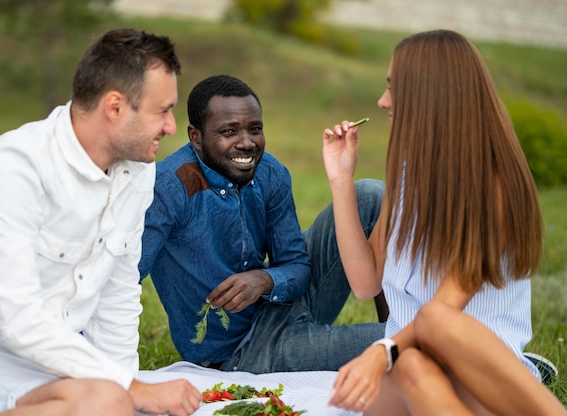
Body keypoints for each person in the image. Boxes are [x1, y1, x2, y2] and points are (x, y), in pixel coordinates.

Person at [0, 28, 201, 416]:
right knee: (107, 402)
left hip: (58, 364)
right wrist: (129, 389)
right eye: (162, 110)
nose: (170, 127)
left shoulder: (138, 171)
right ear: (115, 107)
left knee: (114, 403)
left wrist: (130, 392)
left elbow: (118, 293)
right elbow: (17, 320)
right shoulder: (12, 168)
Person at [323, 30, 567, 415]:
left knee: (429, 331)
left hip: (478, 379)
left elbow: (439, 318)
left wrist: (381, 351)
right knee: (412, 366)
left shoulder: (495, 188)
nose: (382, 101)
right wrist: (341, 181)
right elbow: (365, 282)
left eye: (393, 87)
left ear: (428, 96)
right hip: (408, 368)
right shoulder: (407, 177)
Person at [139, 74, 387, 374]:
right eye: (229, 132)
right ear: (196, 136)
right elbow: (124, 277)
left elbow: (296, 265)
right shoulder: (168, 188)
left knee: (371, 195)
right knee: (403, 342)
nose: (246, 143)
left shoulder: (270, 172)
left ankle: (394, 317)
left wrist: (265, 280)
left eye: (255, 129)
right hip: (245, 350)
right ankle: (395, 333)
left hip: (286, 302)